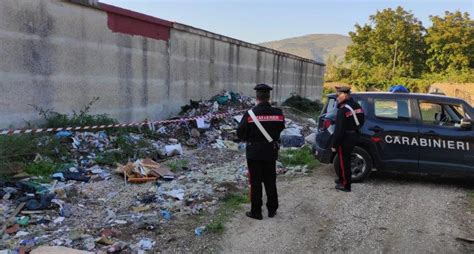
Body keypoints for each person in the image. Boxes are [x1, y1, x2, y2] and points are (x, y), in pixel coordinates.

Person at [237, 83, 285, 220]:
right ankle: (272, 209)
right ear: (269, 97)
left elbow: (240, 133)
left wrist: (251, 138)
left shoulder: (250, 114)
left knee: (256, 182)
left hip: (254, 153)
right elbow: (280, 128)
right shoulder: (278, 113)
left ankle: (256, 212)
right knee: (270, 181)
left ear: (256, 98)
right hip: (271, 151)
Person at [331, 86, 365, 192]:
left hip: (345, 138)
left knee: (343, 161)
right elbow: (362, 120)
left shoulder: (343, 109)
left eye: (338, 95)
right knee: (345, 160)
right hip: (354, 135)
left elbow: (339, 130)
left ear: (345, 95)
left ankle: (345, 185)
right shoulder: (356, 105)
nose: (337, 98)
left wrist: (334, 144)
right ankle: (342, 179)